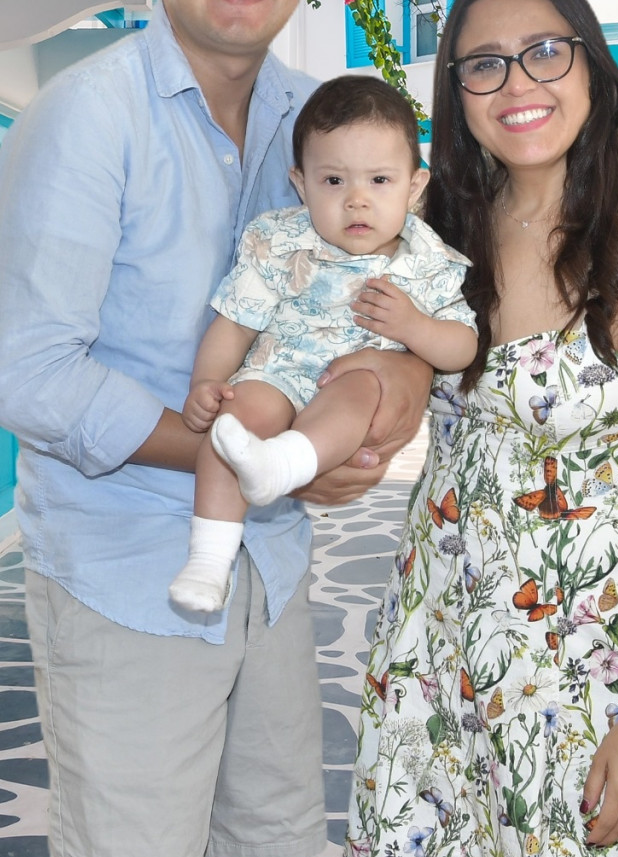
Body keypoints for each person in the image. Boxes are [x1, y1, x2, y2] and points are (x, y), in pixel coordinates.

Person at [0, 0, 433, 857]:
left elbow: (395, 302)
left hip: (266, 569)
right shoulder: (88, 118)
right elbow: (29, 376)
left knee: (244, 853)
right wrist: (251, 455)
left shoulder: (317, 125)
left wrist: (372, 421)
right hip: (128, 572)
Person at [339, 0, 618, 857]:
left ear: (592, 66)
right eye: (484, 64)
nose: (517, 83)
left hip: (590, 684)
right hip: (437, 667)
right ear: (457, 95)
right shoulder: (440, 236)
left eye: (544, 53)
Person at [171, 77, 480, 611]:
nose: (357, 199)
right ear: (301, 183)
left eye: (380, 180)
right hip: (276, 371)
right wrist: (207, 383)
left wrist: (413, 328)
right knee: (231, 426)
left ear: (414, 186)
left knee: (361, 386)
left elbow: (463, 346)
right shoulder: (279, 241)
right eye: (333, 180)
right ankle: (208, 561)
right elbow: (236, 323)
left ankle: (283, 463)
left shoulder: (426, 262)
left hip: (348, 384)